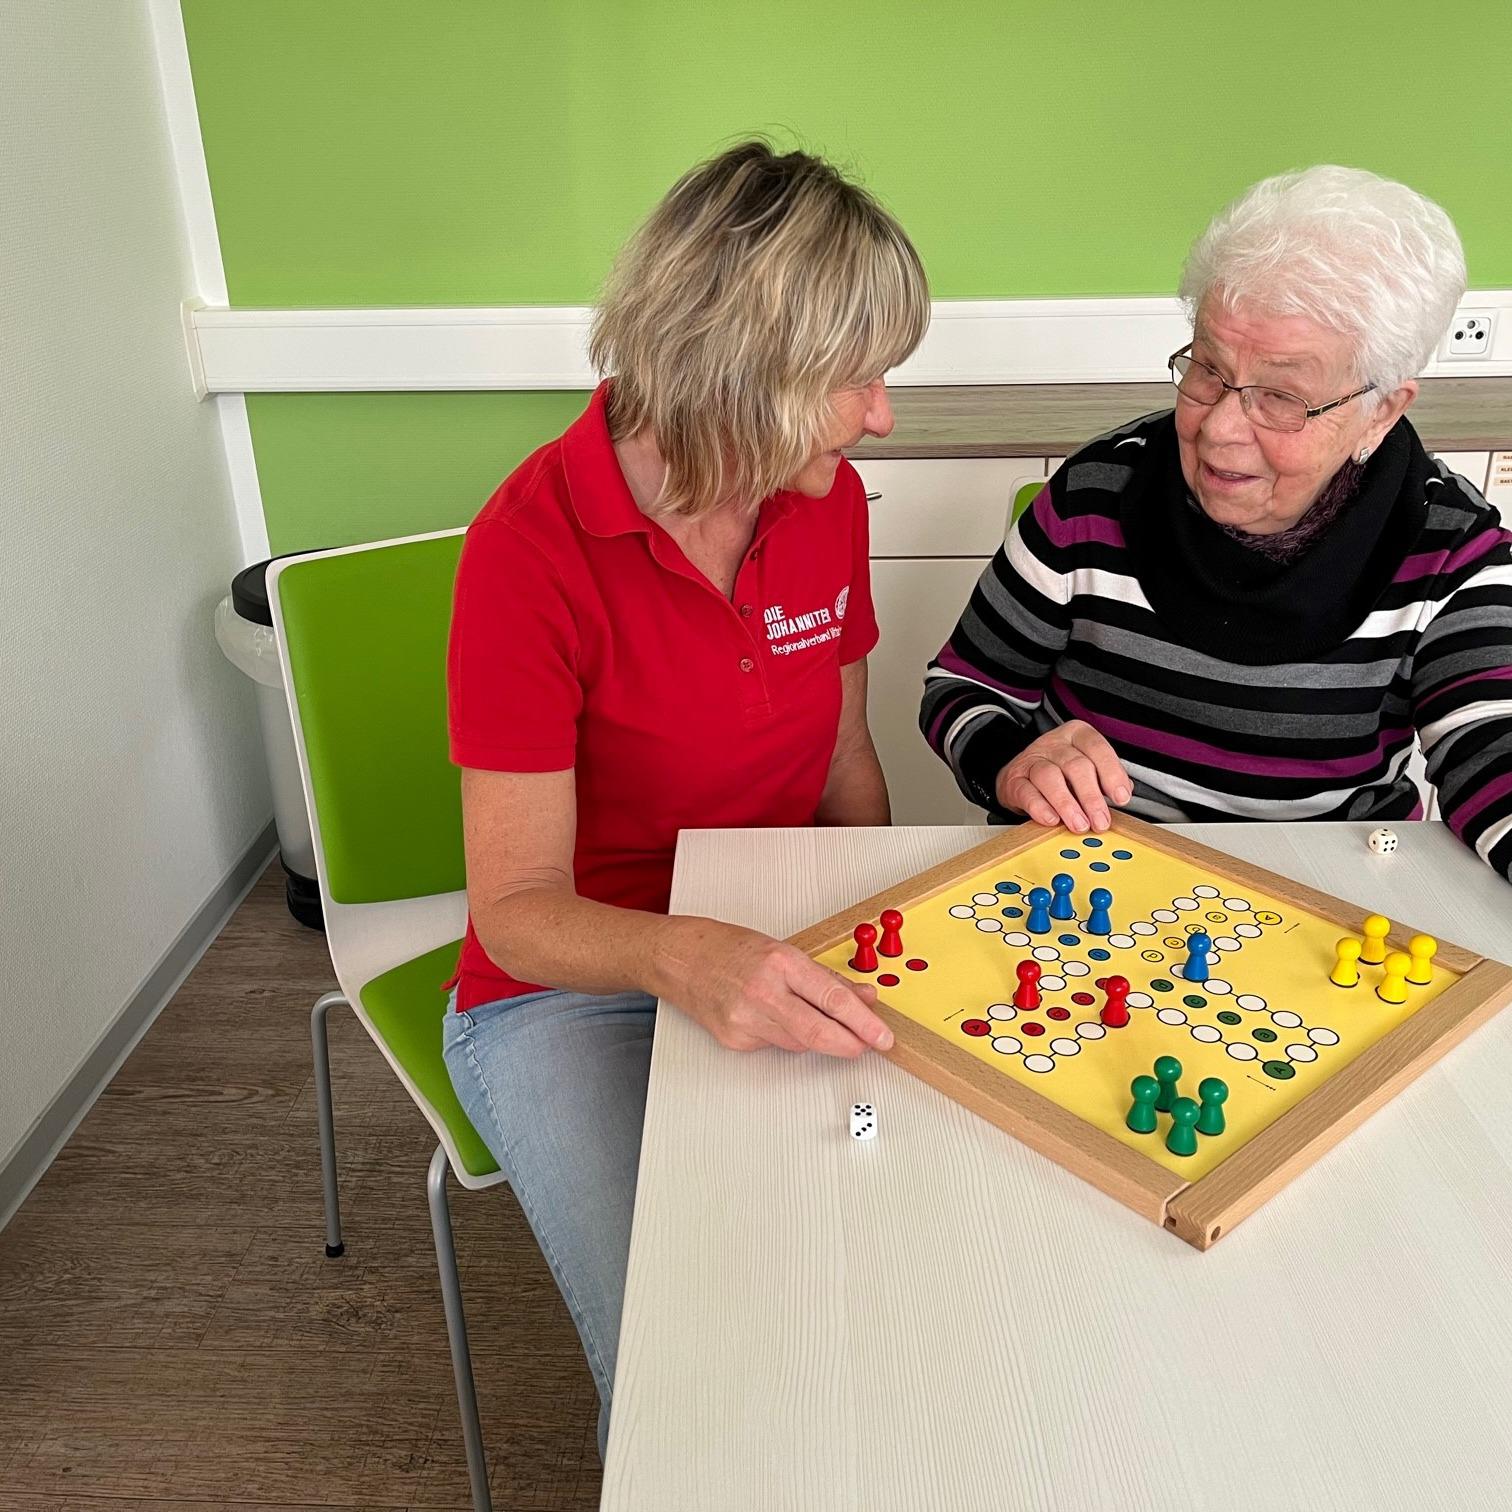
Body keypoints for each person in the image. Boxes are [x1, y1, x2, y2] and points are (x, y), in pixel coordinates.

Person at [442, 140, 930, 1449]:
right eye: (857, 380)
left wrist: (867, 923)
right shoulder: (526, 554)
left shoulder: (822, 496)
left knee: (876, 1282)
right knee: (686, 1377)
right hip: (567, 988)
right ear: (744, 376)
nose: (881, 415)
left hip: (772, 935)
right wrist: (687, 955)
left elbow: (843, 759)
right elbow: (516, 913)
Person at [921, 165, 1512, 883]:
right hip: (1081, 878)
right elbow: (964, 687)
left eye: (1282, 397)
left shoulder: (1454, 549)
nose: (1219, 429)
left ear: (1380, 411)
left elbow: (1492, 750)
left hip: (1318, 895)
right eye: (1207, 370)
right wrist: (1007, 759)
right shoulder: (1098, 492)